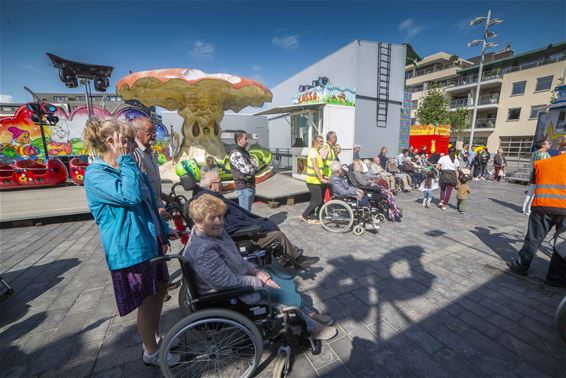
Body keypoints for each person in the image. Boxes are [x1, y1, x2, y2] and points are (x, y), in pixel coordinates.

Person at [83, 118, 179, 367]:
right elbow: (130, 196)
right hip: (130, 249)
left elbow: (147, 203)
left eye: (128, 139)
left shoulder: (126, 167)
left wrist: (162, 231)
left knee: (159, 294)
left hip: (149, 242)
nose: (129, 145)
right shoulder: (96, 173)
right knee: (146, 303)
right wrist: (125, 160)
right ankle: (151, 352)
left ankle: (155, 339)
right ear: (109, 142)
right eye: (124, 140)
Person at [184, 194, 338, 339]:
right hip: (230, 293)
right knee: (279, 288)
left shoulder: (215, 233)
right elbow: (225, 283)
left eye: (220, 216)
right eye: (212, 218)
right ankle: (309, 324)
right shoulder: (203, 250)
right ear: (198, 221)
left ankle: (307, 313)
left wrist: (257, 271)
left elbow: (237, 259)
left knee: (279, 275)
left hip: (239, 277)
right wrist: (259, 281)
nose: (219, 221)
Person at [195, 171, 318, 269]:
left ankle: (285, 255)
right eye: (219, 182)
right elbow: (230, 225)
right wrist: (254, 223)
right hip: (237, 238)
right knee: (277, 234)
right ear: (211, 185)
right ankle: (298, 259)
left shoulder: (205, 198)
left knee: (266, 224)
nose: (222, 184)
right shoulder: (212, 203)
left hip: (232, 233)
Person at [506, 137, 566, 288]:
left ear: (560, 148)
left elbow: (533, 184)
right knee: (562, 243)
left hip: (542, 206)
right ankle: (554, 278)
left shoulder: (542, 164)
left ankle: (521, 266)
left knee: (533, 239)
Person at [132, 118, 167, 219]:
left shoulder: (149, 152)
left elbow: (152, 183)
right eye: (150, 131)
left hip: (159, 211)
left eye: (154, 131)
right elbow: (139, 187)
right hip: (149, 212)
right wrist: (155, 208)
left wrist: (165, 197)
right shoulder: (134, 153)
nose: (154, 134)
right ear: (137, 133)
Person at [300, 135, 328, 224]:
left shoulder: (317, 152)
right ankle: (304, 215)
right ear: (315, 142)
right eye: (320, 141)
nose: (322, 143)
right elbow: (315, 167)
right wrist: (321, 178)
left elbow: (319, 168)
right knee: (318, 200)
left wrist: (323, 176)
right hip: (313, 181)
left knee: (314, 200)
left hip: (316, 181)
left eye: (322, 141)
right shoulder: (313, 153)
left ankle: (312, 218)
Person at [230, 130, 259, 211]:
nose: (248, 141)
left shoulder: (245, 152)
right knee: (245, 214)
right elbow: (248, 171)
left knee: (247, 213)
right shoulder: (236, 154)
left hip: (250, 186)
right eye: (246, 138)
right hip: (244, 188)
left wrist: (251, 167)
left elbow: (257, 166)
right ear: (239, 140)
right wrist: (251, 167)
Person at [522, 139, 551, 215]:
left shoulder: (534, 153)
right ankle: (529, 210)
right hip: (539, 176)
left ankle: (525, 208)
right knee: (534, 194)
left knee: (530, 193)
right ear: (543, 145)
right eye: (547, 144)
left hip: (533, 175)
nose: (549, 145)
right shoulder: (544, 154)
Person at [436, 146, 460, 211]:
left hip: (444, 174)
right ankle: (444, 205)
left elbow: (437, 166)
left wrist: (442, 170)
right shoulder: (455, 159)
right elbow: (456, 170)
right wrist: (457, 179)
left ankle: (441, 201)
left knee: (442, 189)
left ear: (448, 151)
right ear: (454, 152)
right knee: (449, 191)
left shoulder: (443, 158)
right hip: (452, 175)